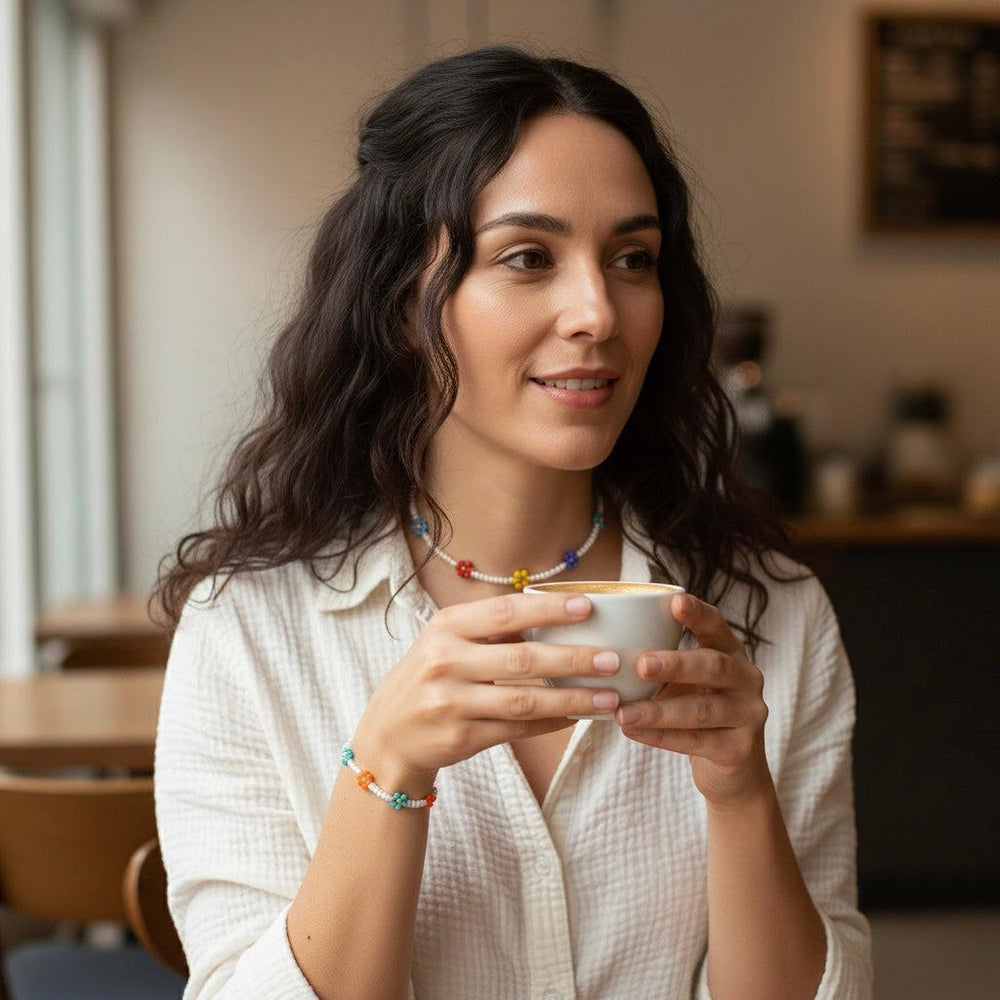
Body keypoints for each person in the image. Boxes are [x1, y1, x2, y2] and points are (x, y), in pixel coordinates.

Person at [152, 45, 874, 1000]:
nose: (598, 311)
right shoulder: (249, 633)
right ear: (402, 301)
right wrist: (386, 772)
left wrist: (741, 791)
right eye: (528, 257)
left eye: (633, 259)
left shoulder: (772, 617)